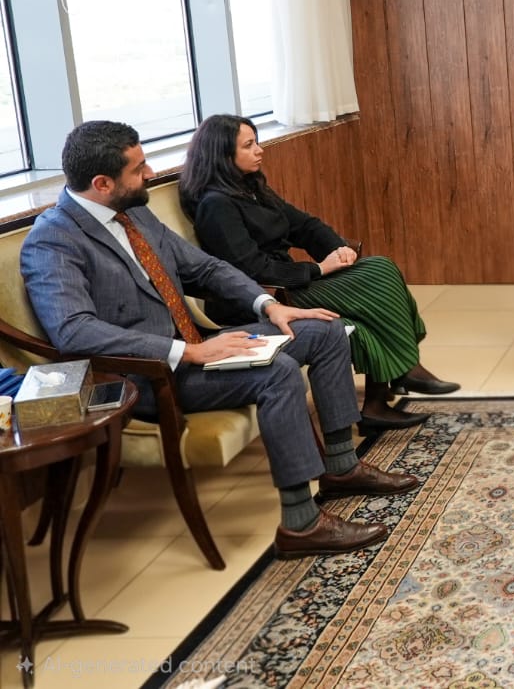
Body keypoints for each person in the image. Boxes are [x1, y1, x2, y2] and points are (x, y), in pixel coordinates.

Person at [21, 121, 418, 558]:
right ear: (102, 183)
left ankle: (341, 467)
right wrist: (188, 351)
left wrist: (269, 306)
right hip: (150, 375)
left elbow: (205, 268)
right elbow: (74, 330)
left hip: (198, 344)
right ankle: (302, 524)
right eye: (138, 169)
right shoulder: (53, 240)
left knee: (325, 330)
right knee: (279, 371)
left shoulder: (133, 213)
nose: (150, 174)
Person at [179, 115, 455, 432]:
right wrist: (320, 268)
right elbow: (251, 269)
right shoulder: (216, 205)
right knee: (378, 276)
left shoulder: (251, 187)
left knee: (379, 270)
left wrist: (338, 248)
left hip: (289, 282)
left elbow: (305, 226)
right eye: (249, 145)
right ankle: (404, 369)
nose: (259, 150)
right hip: (265, 297)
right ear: (223, 154)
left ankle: (379, 402)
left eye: (257, 141)